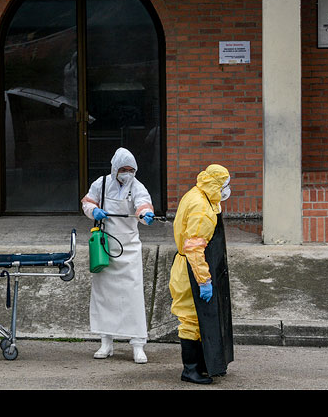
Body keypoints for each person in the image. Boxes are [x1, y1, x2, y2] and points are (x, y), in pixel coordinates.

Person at [81, 147, 155, 364]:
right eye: (123, 169)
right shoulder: (101, 183)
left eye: (131, 170)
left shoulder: (137, 186)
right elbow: (88, 201)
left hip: (129, 247)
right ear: (114, 169)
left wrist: (145, 214)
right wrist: (93, 211)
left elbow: (143, 204)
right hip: (106, 246)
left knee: (132, 296)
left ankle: (138, 344)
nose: (127, 173)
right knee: (104, 295)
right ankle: (106, 341)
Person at [169, 164, 234, 384]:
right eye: (224, 185)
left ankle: (206, 364)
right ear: (215, 184)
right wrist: (204, 280)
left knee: (200, 318)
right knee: (191, 319)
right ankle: (191, 370)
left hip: (189, 265)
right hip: (191, 269)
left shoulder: (198, 194)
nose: (227, 189)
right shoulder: (202, 208)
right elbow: (195, 248)